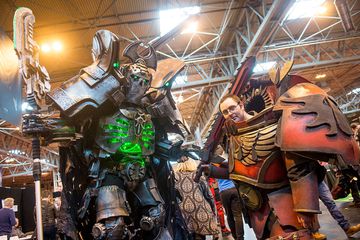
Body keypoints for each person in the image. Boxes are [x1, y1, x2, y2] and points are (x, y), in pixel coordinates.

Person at [198, 84, 359, 239]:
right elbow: (240, 173)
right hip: (258, 212)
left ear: (241, 105)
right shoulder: (232, 137)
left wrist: (305, 208)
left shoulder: (272, 125)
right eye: (225, 112)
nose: (229, 113)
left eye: (232, 108)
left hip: (284, 205)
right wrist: (211, 171)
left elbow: (297, 167)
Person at [173, 156, 219, 240]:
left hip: (184, 214)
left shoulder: (174, 178)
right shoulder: (197, 175)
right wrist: (213, 211)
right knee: (208, 237)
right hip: (202, 211)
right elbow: (209, 195)